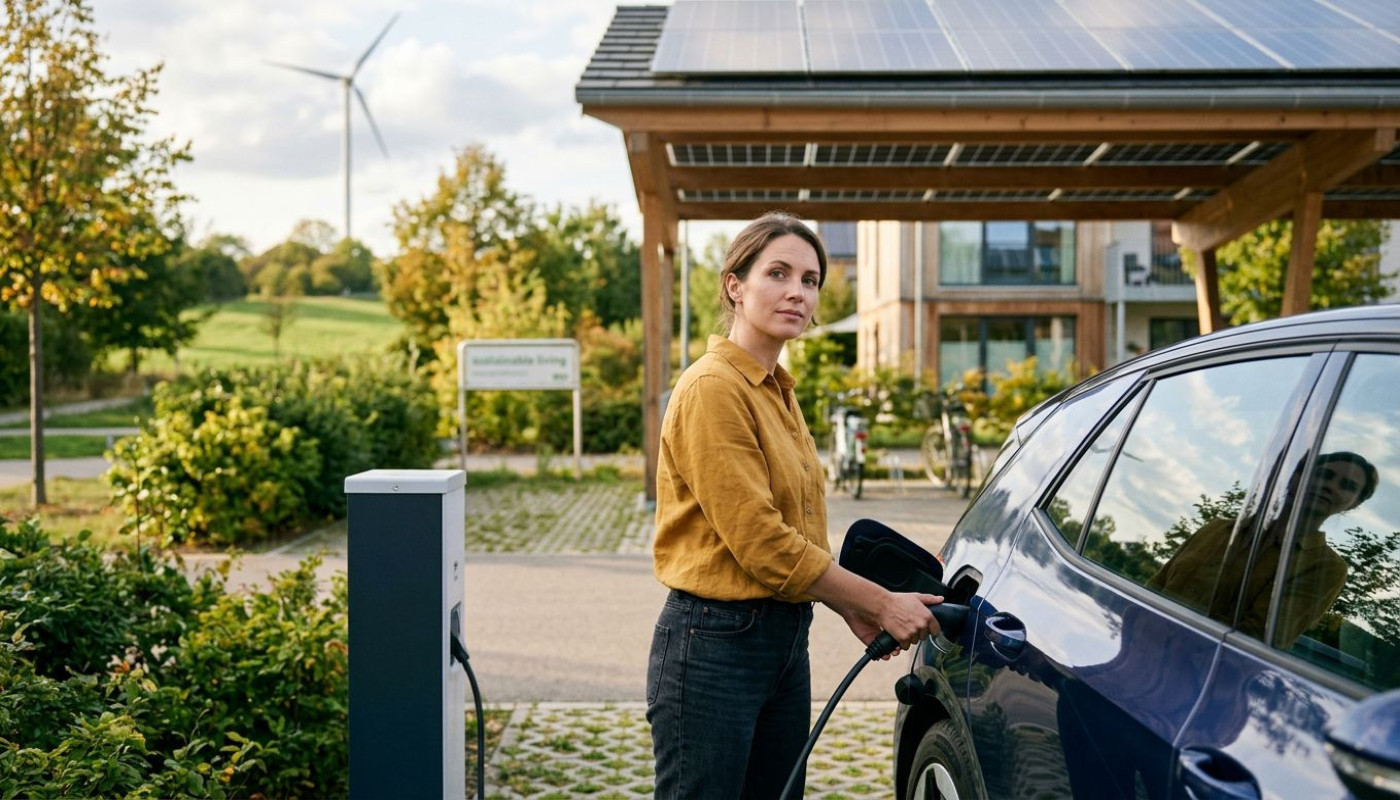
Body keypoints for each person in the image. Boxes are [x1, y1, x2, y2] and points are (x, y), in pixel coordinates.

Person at [645, 211, 943, 799]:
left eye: (810, 281)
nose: (796, 292)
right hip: (714, 644)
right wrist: (879, 602)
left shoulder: (777, 390)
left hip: (783, 637)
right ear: (736, 284)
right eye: (777, 273)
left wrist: (844, 606)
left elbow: (795, 531)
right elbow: (761, 541)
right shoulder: (713, 389)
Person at [1148, 451, 1379, 647]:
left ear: (1354, 504)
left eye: (1347, 486)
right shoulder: (1217, 528)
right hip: (1135, 651)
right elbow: (1155, 586)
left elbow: (1256, 640)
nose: (1329, 486)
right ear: (1297, 478)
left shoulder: (1326, 567)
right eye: (1323, 474)